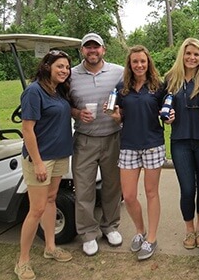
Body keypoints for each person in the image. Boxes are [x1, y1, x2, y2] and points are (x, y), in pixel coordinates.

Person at [15, 50, 73, 280]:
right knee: (36, 209)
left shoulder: (58, 91)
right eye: (60, 66)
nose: (64, 71)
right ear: (47, 66)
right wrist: (38, 162)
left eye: (67, 67)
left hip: (59, 155)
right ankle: (23, 261)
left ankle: (50, 247)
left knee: (51, 200)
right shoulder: (33, 91)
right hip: (40, 159)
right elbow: (27, 130)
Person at [69, 33, 124, 256]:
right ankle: (88, 233)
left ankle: (110, 226)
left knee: (112, 187)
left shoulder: (119, 72)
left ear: (104, 49)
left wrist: (121, 114)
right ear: (83, 51)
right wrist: (76, 113)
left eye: (96, 47)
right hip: (84, 139)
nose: (92, 51)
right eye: (88, 48)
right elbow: (64, 104)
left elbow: (130, 95)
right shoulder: (70, 75)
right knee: (84, 188)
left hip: (113, 137)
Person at [109, 45, 166, 261]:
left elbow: (168, 111)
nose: (139, 65)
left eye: (143, 61)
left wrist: (170, 115)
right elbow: (117, 112)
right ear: (130, 64)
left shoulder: (159, 86)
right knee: (130, 195)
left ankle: (151, 238)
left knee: (151, 193)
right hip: (128, 145)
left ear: (148, 62)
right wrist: (116, 116)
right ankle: (140, 232)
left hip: (152, 144)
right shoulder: (121, 87)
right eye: (135, 62)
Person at [164, 38, 199, 250]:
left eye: (196, 54)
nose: (192, 58)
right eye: (188, 53)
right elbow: (161, 107)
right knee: (186, 189)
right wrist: (166, 117)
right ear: (182, 55)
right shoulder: (170, 79)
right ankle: (189, 230)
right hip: (180, 141)